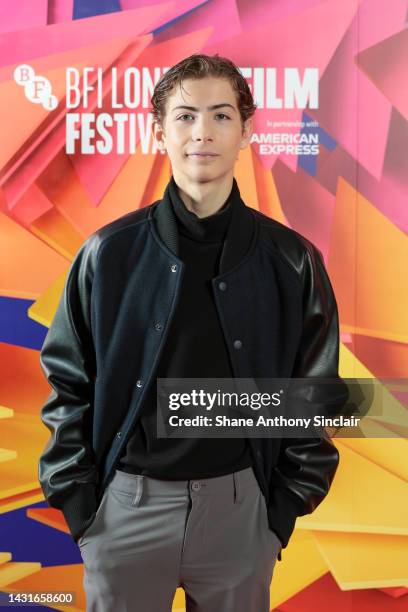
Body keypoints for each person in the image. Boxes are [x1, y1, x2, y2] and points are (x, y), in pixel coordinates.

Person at [38, 53, 349, 611]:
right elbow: (67, 384)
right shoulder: (106, 255)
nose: (202, 132)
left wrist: (278, 512)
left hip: (241, 512)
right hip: (124, 511)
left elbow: (317, 396)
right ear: (160, 132)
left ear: (246, 132)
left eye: (221, 116)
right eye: (184, 116)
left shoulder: (292, 260)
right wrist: (85, 508)